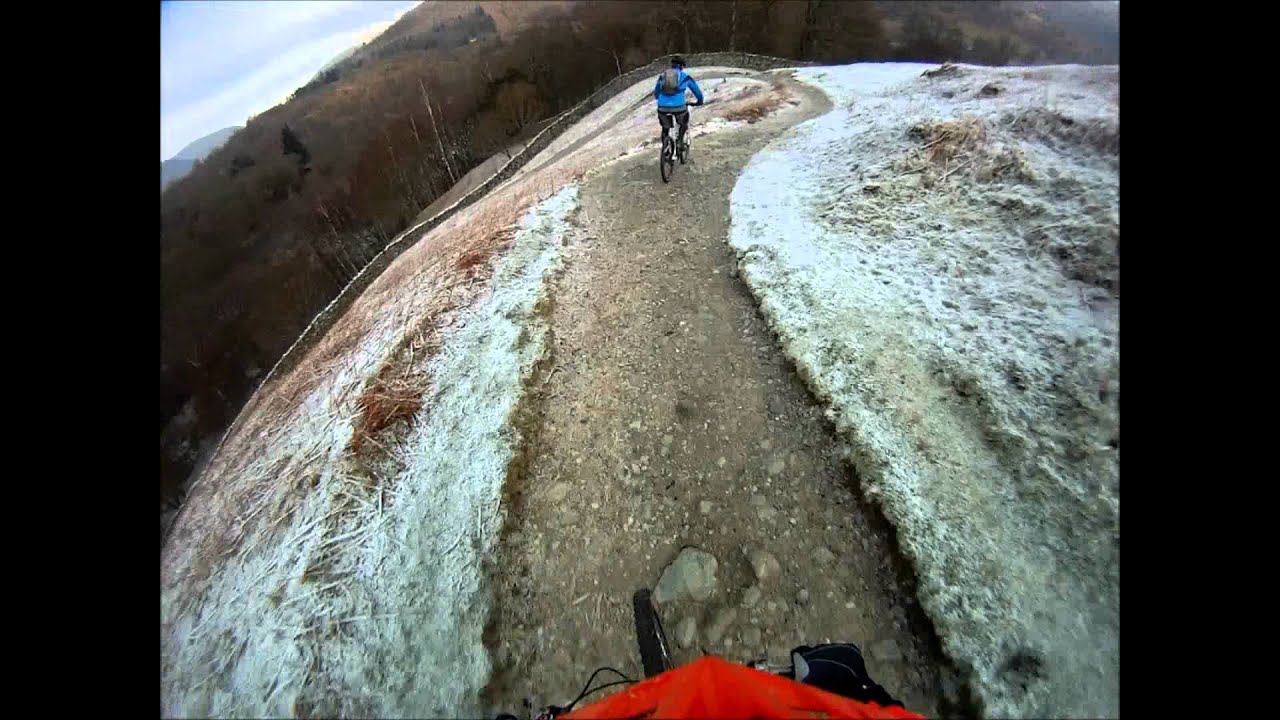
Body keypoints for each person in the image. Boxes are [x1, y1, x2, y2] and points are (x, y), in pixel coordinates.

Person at [654, 55, 704, 155]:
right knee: (683, 123)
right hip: (679, 107)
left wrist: (662, 100)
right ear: (682, 66)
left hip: (662, 107)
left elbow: (656, 92)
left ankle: (666, 147)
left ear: (672, 65)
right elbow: (697, 91)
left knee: (665, 127)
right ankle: (680, 143)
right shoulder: (685, 77)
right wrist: (700, 101)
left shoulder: (663, 76)